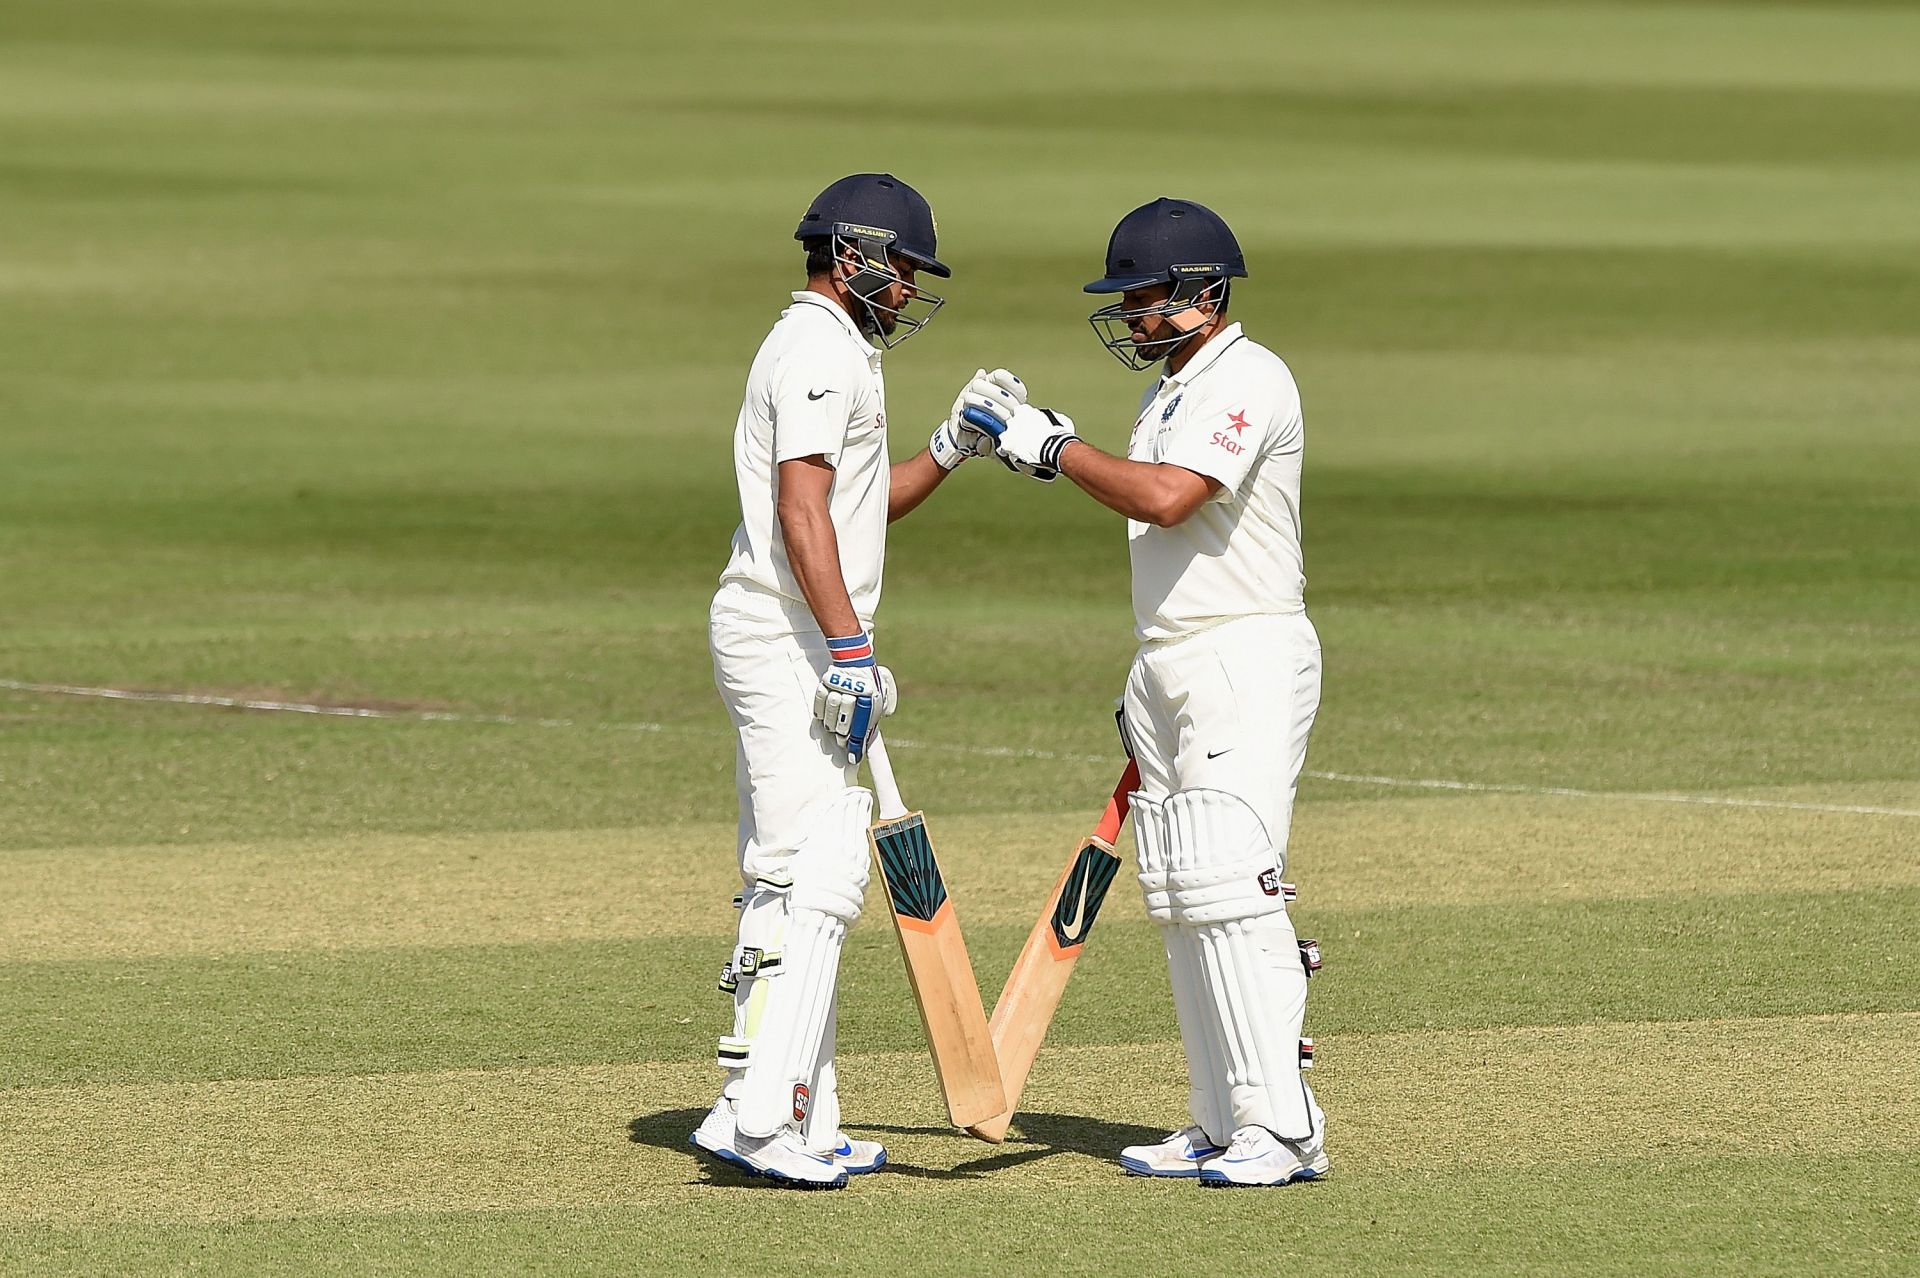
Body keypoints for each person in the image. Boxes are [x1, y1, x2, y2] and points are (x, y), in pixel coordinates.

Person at [980, 198, 1328, 1187]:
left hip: (1245, 657)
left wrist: (1056, 449)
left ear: (1203, 295)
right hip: (1174, 661)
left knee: (1236, 892)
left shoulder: (1249, 379)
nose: (1131, 315)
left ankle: (1289, 1130)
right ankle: (1224, 1121)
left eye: (1145, 297)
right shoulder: (1171, 390)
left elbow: (1172, 498)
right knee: (1182, 896)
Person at [690, 172, 1023, 1188]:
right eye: (906, 267)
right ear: (856, 257)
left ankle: (798, 1105)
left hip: (798, 628)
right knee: (811, 871)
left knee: (795, 868)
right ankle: (757, 1121)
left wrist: (951, 448)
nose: (913, 287)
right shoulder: (821, 353)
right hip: (788, 634)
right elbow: (801, 516)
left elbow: (855, 513)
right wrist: (845, 649)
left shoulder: (832, 349)